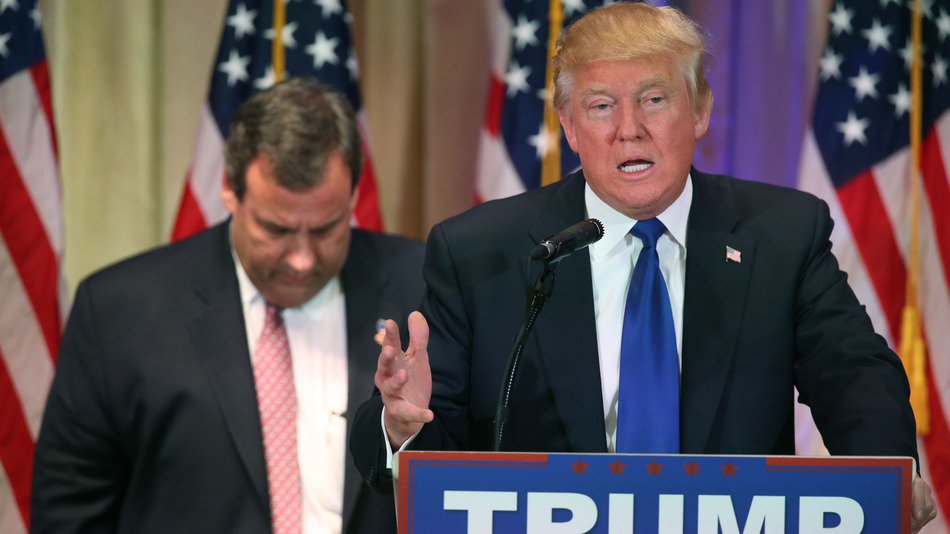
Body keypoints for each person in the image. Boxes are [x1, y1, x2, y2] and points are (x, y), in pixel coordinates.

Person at [350, 3, 936, 531]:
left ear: (700, 110)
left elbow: (855, 377)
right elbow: (428, 447)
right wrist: (402, 426)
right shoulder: (483, 252)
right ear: (569, 125)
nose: (629, 129)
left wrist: (889, 479)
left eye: (655, 99)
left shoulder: (780, 235)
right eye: (601, 106)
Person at [32, 78, 423, 533]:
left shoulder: (420, 291)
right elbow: (69, 516)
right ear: (229, 191)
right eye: (276, 230)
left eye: (325, 230)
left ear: (353, 197)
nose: (301, 259)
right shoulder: (120, 312)